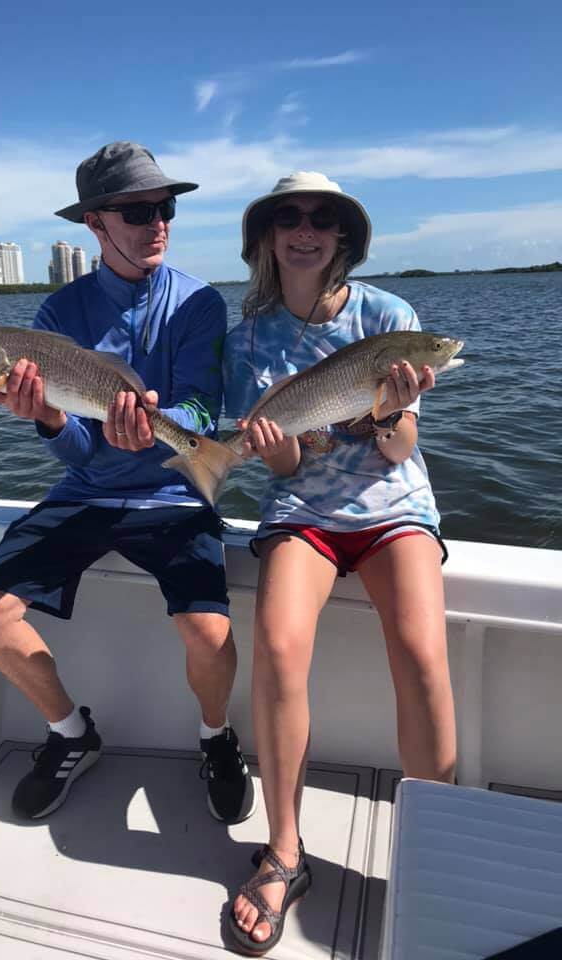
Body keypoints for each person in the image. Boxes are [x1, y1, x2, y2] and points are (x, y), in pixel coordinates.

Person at [0, 141, 256, 827]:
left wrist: (159, 425)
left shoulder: (201, 304)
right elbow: (77, 453)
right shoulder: (58, 316)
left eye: (166, 207)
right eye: (137, 211)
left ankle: (215, 738)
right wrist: (46, 419)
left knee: (209, 633)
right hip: (88, 493)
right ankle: (70, 732)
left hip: (173, 494)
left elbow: (202, 408)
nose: (157, 222)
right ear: (94, 225)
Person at [223, 172, 457, 954]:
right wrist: (276, 449)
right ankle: (284, 851)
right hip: (305, 512)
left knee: (424, 655)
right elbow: (286, 472)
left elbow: (398, 450)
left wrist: (390, 409)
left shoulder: (390, 317)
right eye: (288, 216)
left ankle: (435, 847)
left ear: (343, 238)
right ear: (265, 238)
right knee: (279, 648)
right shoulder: (246, 338)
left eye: (322, 218)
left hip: (392, 508)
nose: (306, 228)